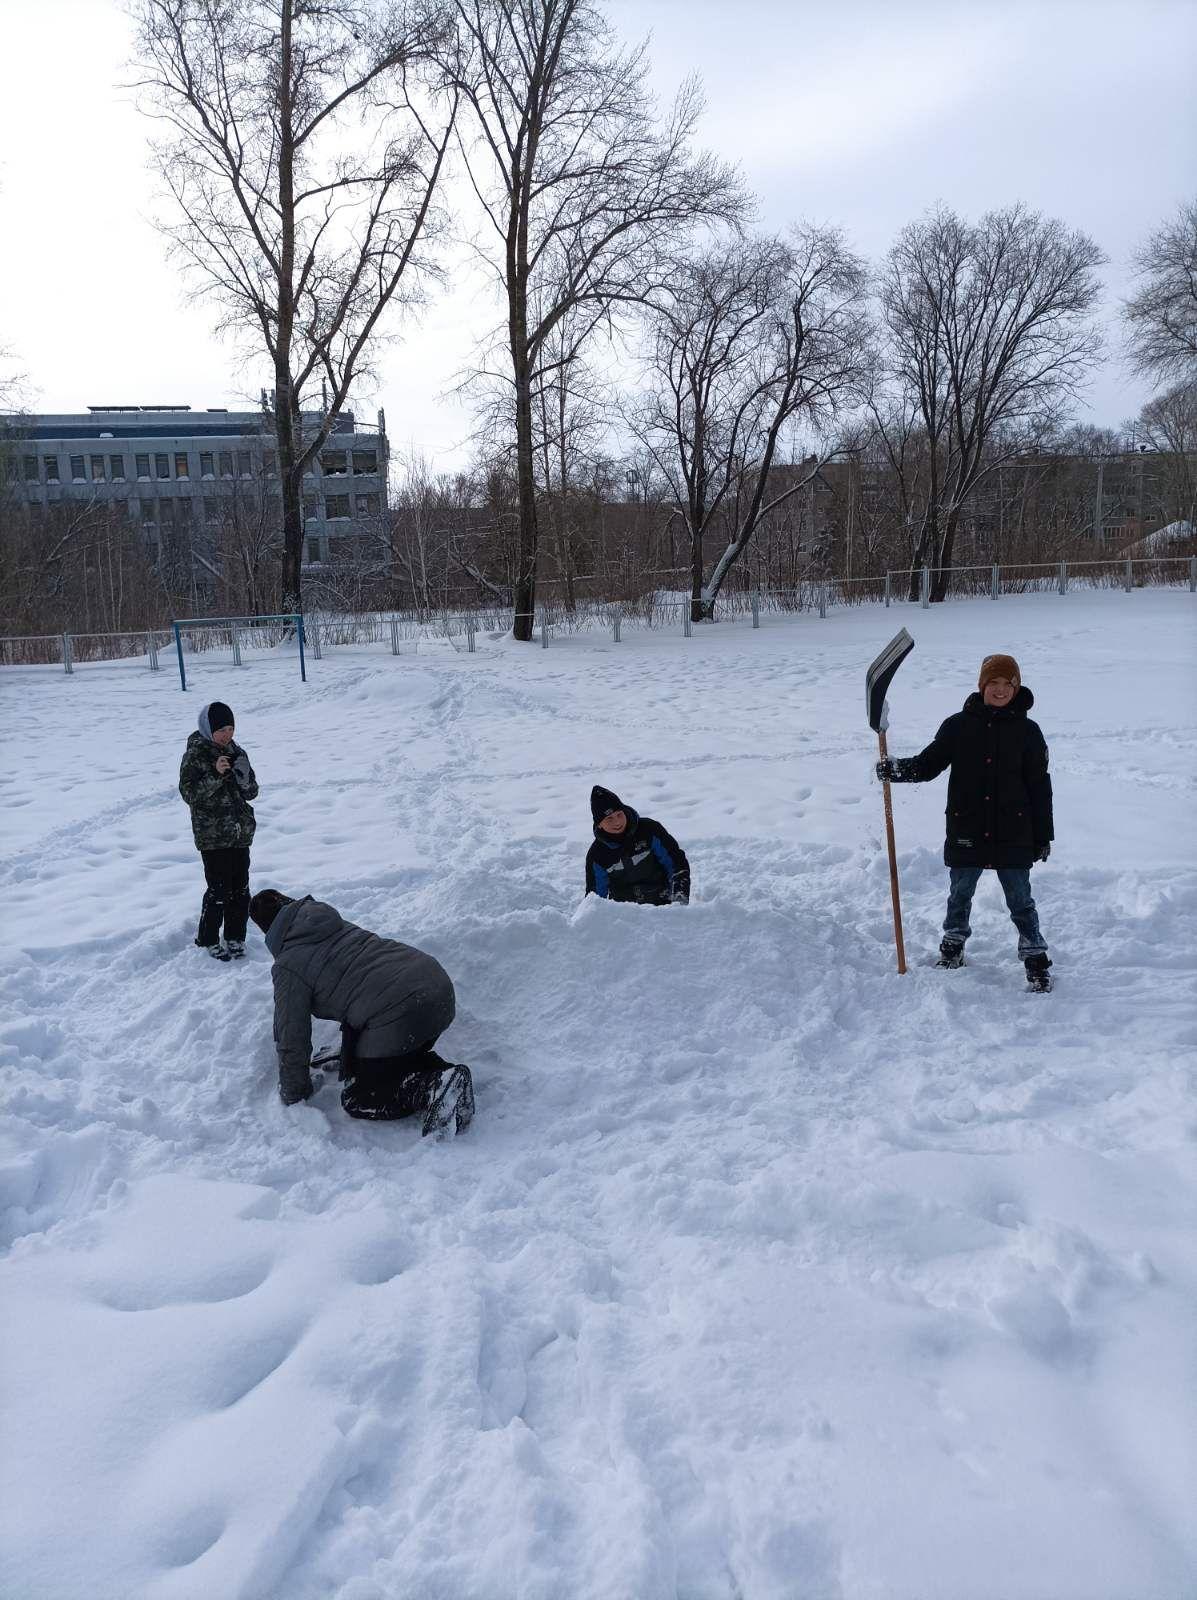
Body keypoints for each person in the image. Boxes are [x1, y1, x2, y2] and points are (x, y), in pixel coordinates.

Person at [876, 652, 1054, 991]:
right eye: (993, 683)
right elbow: (929, 764)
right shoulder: (958, 726)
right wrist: (896, 770)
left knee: (1020, 899)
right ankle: (953, 944)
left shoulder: (1029, 732)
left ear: (1016, 688)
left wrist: (1043, 835)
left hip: (1014, 831)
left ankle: (1035, 956)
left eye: (1008, 684)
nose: (1000, 690)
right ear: (981, 685)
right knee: (960, 893)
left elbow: (1040, 788)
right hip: (967, 827)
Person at [248, 889, 474, 1134]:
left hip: (404, 1013)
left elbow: (291, 1034)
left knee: (361, 1097)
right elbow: (359, 988)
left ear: (268, 931)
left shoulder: (289, 965)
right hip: (437, 989)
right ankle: (441, 1072)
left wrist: (294, 1091)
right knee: (386, 1045)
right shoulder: (332, 924)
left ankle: (432, 1087)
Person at [179, 700, 258, 960]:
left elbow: (251, 792)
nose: (227, 734)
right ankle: (208, 938)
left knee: (241, 888)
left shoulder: (238, 752)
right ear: (208, 729)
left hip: (239, 833)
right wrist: (215, 774)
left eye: (230, 728)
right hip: (212, 836)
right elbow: (189, 793)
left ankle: (235, 937)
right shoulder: (196, 754)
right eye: (221, 729)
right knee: (218, 890)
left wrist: (244, 778)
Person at [585, 785, 691, 906]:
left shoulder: (650, 830)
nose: (617, 822)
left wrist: (679, 900)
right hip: (627, 915)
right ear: (599, 825)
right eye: (609, 818)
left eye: (619, 814)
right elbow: (595, 900)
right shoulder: (597, 855)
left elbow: (676, 864)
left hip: (663, 906)